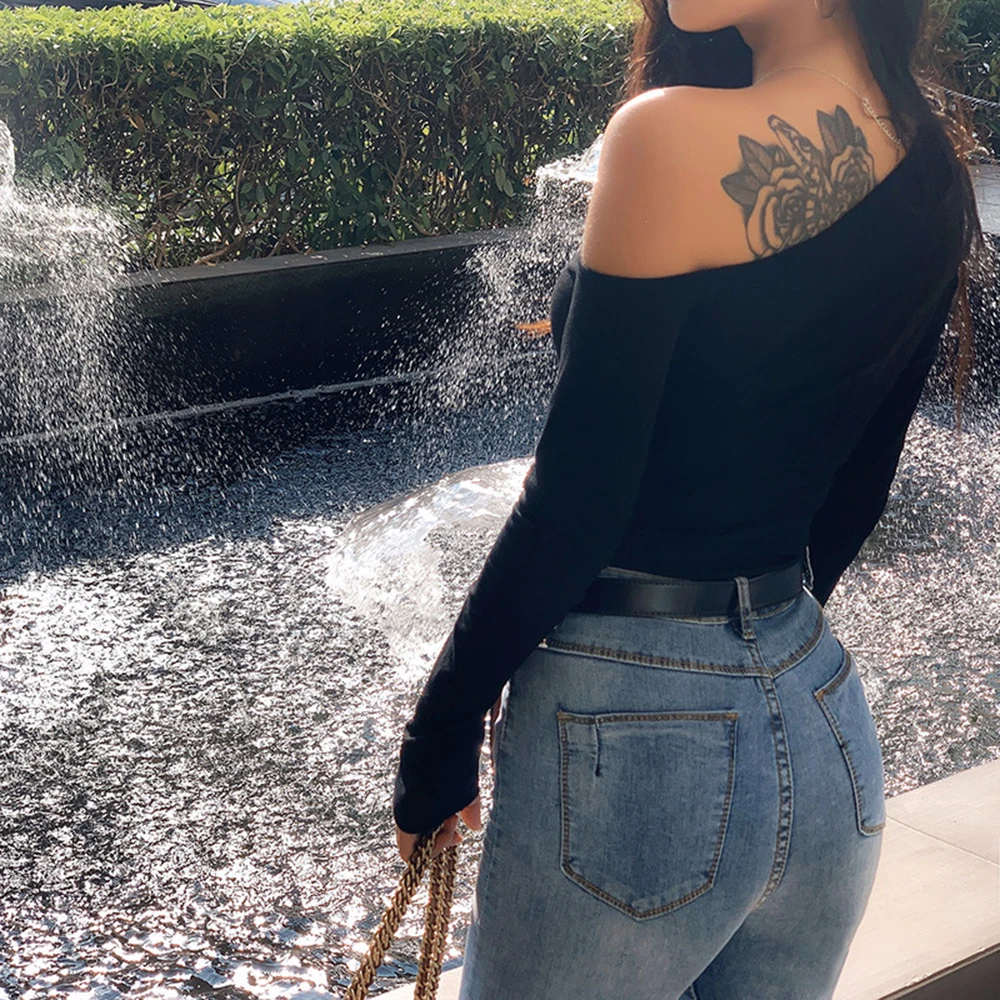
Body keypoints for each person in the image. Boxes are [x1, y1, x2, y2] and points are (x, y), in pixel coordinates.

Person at [392, 0, 985, 997]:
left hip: (634, 737)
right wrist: (753, 655)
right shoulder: (929, 159)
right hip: (823, 720)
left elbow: (574, 503)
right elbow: (856, 493)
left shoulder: (668, 136)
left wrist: (441, 728)